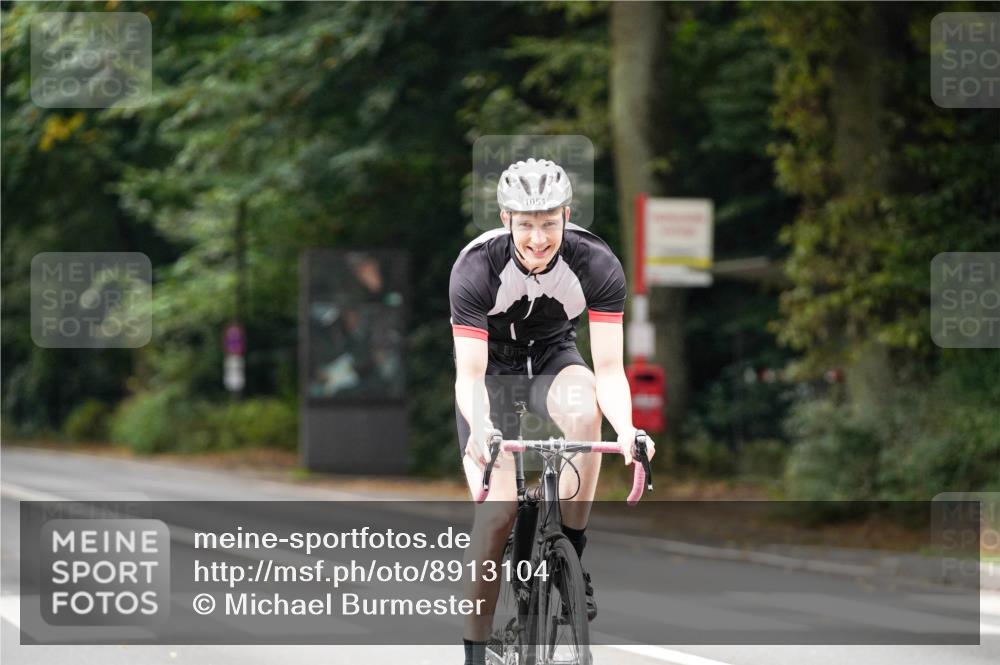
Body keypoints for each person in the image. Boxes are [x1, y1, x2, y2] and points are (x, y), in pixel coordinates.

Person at [450, 158, 657, 665]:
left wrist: (628, 429)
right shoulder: (476, 268)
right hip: (492, 376)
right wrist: (482, 429)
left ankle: (570, 548)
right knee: (497, 515)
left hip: (552, 358)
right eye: (526, 224)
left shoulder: (597, 263)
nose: (538, 238)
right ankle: (475, 652)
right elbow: (471, 376)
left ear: (566, 215)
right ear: (506, 220)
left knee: (586, 412)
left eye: (548, 223)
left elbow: (609, 369)